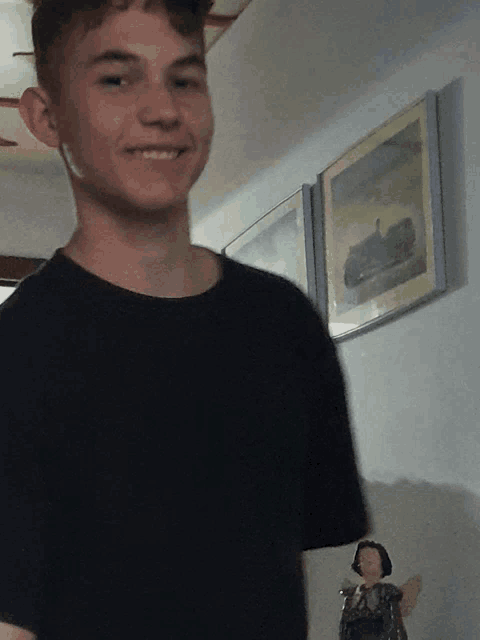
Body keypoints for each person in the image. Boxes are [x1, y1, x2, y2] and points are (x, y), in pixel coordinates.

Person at [0, 0, 369, 638]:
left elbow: (282, 569)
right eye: (117, 78)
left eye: (185, 78)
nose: (164, 110)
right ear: (45, 115)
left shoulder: (284, 323)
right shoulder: (18, 352)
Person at [339, 541, 420, 640]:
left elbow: (396, 626)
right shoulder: (351, 596)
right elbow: (344, 630)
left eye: (372, 558)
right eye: (363, 558)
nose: (367, 560)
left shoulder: (387, 593)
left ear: (381, 563)